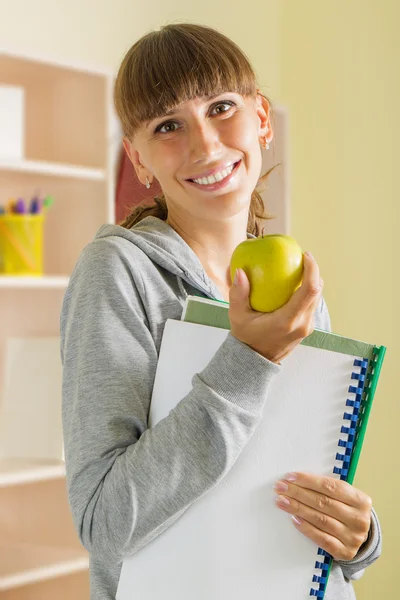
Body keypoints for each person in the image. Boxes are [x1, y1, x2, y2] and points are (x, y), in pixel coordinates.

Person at [60, 23, 381, 600]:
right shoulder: (118, 272)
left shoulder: (297, 286)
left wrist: (358, 539)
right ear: (138, 158)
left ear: (261, 118)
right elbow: (105, 524)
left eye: (221, 107)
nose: (205, 145)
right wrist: (250, 359)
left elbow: (303, 488)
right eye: (167, 126)